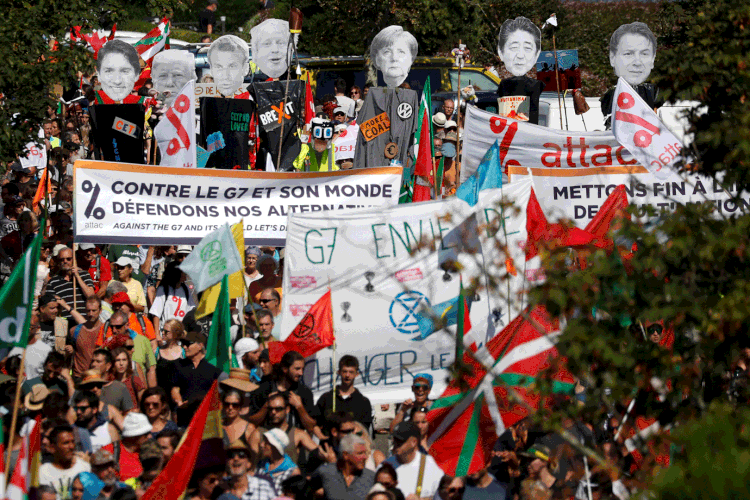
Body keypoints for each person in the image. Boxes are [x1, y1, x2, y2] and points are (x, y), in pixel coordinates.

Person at [601, 22, 660, 129]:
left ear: (653, 58)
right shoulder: (612, 95)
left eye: (644, 53)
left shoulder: (653, 92)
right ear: (612, 58)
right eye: (628, 53)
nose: (637, 62)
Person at [247, 351, 318, 437]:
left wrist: (300, 407)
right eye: (297, 369)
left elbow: (311, 427)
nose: (301, 373)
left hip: (294, 445)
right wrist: (267, 405)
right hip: (267, 443)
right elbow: (252, 422)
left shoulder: (304, 393)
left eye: (303, 369)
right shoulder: (264, 389)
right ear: (285, 369)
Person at [249, 392, 323, 472]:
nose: (273, 412)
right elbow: (250, 465)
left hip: (288, 481)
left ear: (287, 409)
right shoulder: (258, 433)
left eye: (278, 409)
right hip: (264, 480)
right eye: (270, 409)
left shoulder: (298, 434)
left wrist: (309, 475)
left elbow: (320, 454)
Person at [496, 17, 544, 124]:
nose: (520, 56)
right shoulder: (503, 85)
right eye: (514, 47)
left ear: (537, 54)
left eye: (527, 48)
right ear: (500, 52)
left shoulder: (540, 86)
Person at [170, 330, 222, 427]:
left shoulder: (213, 367)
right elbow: (175, 389)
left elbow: (219, 392)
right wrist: (180, 403)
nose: (184, 347)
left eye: (188, 344)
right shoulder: (178, 365)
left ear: (200, 345)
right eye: (183, 344)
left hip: (207, 417)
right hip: (185, 416)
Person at [383, 422, 443, 499]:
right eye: (395, 440)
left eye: (400, 440)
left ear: (414, 442)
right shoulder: (385, 466)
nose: (396, 444)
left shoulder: (431, 466)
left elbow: (442, 496)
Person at [308, 434, 375, 499]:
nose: (365, 457)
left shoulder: (371, 477)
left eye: (365, 453)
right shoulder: (325, 472)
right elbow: (310, 489)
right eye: (360, 453)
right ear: (345, 455)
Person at [315, 355, 373, 430]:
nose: (347, 375)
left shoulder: (363, 402)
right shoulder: (326, 398)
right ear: (339, 372)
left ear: (357, 374)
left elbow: (364, 429)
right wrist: (322, 437)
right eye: (344, 371)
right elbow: (314, 423)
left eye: (351, 372)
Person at [39, 425, 92, 498]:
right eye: (66, 443)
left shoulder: (84, 468)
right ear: (53, 447)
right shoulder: (43, 472)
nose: (71, 446)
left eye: (73, 442)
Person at [45, 247, 95, 322]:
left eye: (68, 259)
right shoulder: (53, 282)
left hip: (84, 321)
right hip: (64, 323)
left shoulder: (84, 275)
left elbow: (91, 296)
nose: (65, 261)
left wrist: (77, 276)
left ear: (74, 260)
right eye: (62, 259)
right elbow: (50, 305)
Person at [149, 261, 195, 334]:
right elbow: (156, 313)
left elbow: (191, 310)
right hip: (166, 334)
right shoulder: (164, 289)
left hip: (180, 335)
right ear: (176, 273)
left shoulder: (186, 289)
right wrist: (157, 334)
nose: (186, 273)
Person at [90, 348, 135, 415]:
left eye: (98, 361)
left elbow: (128, 413)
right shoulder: (84, 386)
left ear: (108, 366)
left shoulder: (120, 387)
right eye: (92, 361)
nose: (93, 364)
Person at [70, 297, 105, 381]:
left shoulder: (106, 331)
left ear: (100, 311)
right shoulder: (74, 331)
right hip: (79, 377)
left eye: (94, 310)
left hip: (98, 377)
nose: (91, 314)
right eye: (88, 311)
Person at [256, 428, 300, 493]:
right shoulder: (260, 465)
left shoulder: (293, 472)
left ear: (275, 447)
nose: (261, 445)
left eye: (265, 442)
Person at [118, 413, 153, 482]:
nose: (150, 436)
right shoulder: (110, 451)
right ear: (133, 435)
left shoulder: (152, 451)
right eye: (146, 434)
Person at [155, 319, 185, 386]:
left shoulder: (183, 353)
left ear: (175, 333)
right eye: (162, 330)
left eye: (166, 331)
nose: (162, 333)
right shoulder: (157, 352)